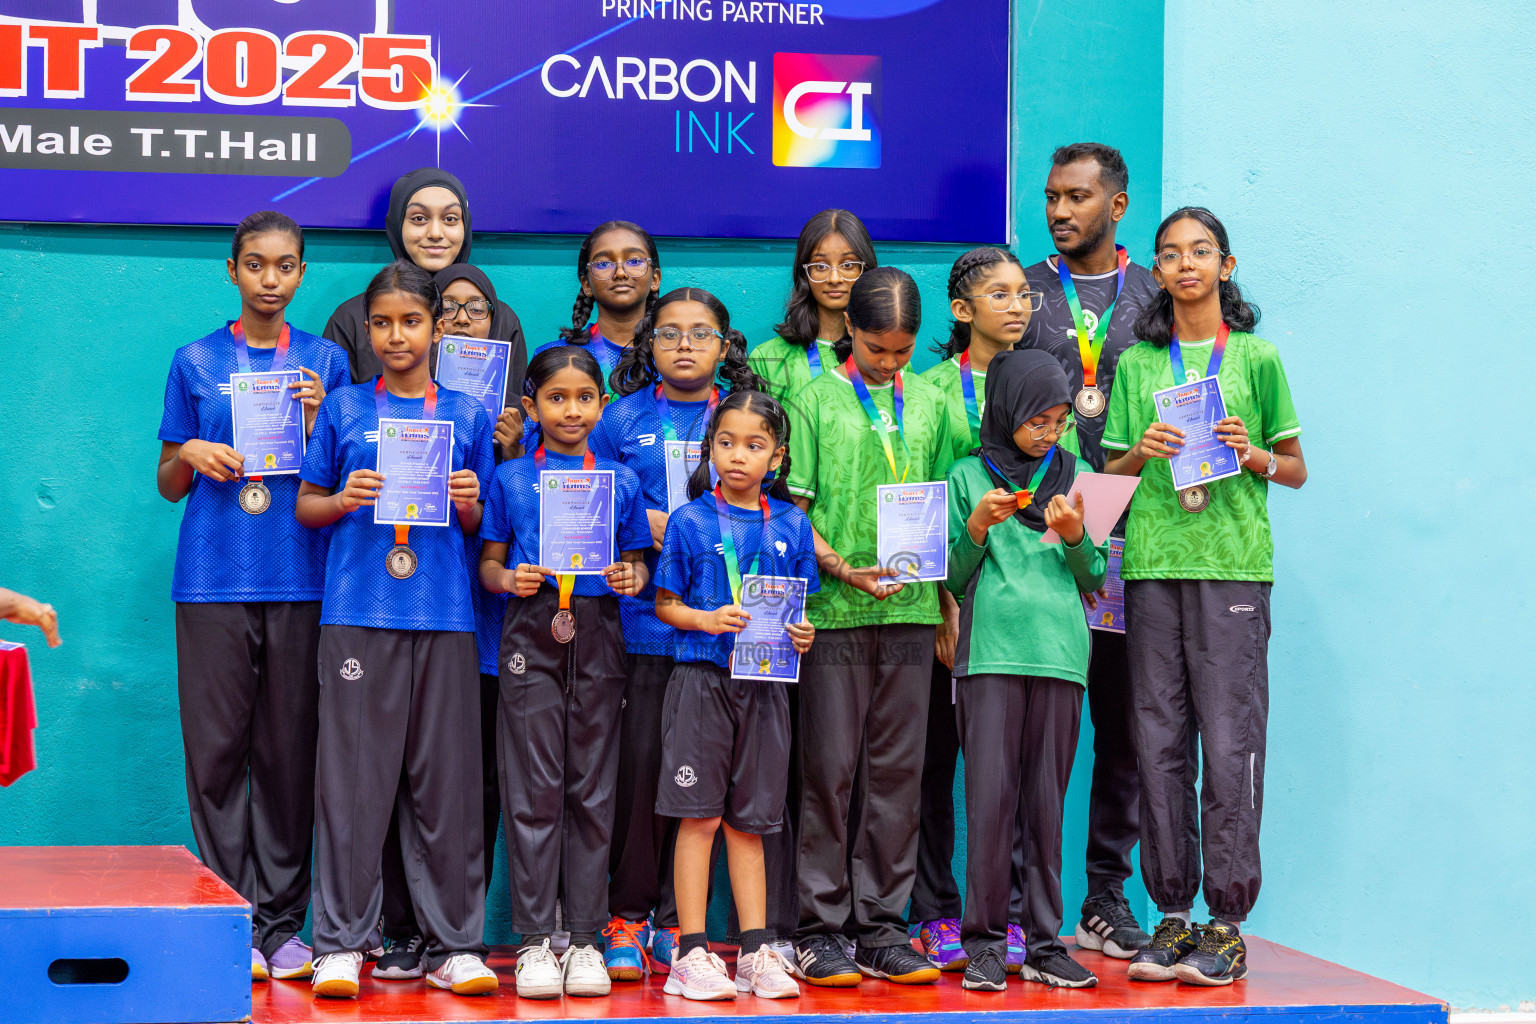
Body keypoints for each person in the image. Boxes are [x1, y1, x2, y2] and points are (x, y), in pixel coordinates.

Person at [1104, 207, 1306, 986]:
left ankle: (1226, 924)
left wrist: (1250, 452)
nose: (1185, 263)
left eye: (1200, 252)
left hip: (1233, 572)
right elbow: (1109, 481)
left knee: (1228, 745)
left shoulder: (1255, 358)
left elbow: (1294, 468)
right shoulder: (1136, 365)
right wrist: (1136, 453)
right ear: (1155, 271)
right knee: (1158, 745)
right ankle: (1171, 917)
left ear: (1226, 265)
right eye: (1170, 253)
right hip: (1153, 566)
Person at [155, 211, 348, 984]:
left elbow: (341, 472)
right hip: (210, 582)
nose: (271, 278)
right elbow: (168, 482)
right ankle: (228, 912)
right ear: (231, 270)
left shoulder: (328, 364)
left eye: (286, 265)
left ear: (302, 273)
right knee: (216, 756)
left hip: (303, 578)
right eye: (257, 264)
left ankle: (280, 928)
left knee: (288, 757)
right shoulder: (195, 361)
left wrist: (317, 416)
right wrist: (191, 453)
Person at [296, 260, 498, 999]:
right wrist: (344, 497)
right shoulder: (347, 409)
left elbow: (483, 530)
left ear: (437, 326)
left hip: (444, 616)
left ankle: (455, 945)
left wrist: (472, 500)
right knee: (352, 782)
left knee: (445, 787)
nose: (394, 336)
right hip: (357, 613)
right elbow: (307, 509)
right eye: (381, 323)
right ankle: (343, 944)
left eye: (410, 321)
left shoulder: (470, 416)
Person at [591, 288, 765, 978]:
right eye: (669, 334)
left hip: (722, 636)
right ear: (649, 345)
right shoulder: (620, 418)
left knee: (703, 787)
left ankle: (676, 921)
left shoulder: (742, 417)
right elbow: (585, 504)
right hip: (641, 627)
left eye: (701, 333)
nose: (685, 345)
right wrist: (646, 529)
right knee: (640, 776)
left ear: (724, 345)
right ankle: (629, 916)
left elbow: (774, 507)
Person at [785, 267, 952, 987]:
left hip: (911, 613)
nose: (889, 363)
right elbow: (791, 509)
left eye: (902, 350)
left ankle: (882, 924)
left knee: (897, 776)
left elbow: (944, 505)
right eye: (877, 348)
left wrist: (945, 606)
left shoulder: (935, 403)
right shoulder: (814, 400)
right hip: (834, 615)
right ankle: (819, 927)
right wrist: (839, 569)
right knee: (830, 772)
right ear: (850, 328)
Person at [1019, 143, 1161, 958]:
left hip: (1132, 538)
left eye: (1076, 197)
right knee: (1032, 726)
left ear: (1117, 205)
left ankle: (1107, 894)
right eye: (1050, 197)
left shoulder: (1152, 295)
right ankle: (1013, 901)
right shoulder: (1026, 289)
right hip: (1042, 536)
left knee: (1127, 722)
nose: (1060, 211)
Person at [478, 346, 653, 1000]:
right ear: (531, 407)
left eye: (585, 397)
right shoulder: (512, 479)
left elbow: (636, 569)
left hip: (600, 631)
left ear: (601, 406)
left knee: (591, 789)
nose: (571, 409)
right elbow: (489, 565)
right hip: (530, 628)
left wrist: (631, 576)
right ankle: (532, 942)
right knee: (533, 787)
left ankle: (583, 937)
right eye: (557, 398)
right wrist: (507, 578)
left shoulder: (621, 483)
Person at [366, 262, 523, 983]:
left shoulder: (500, 417)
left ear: (498, 328)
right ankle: (401, 929)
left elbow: (494, 518)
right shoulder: (369, 407)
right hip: (409, 602)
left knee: (464, 782)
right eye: (448, 309)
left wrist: (509, 450)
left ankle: (453, 936)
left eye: (474, 311)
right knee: (395, 771)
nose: (461, 322)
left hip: (484, 619)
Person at [945, 350, 1107, 991]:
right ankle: (984, 942)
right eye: (1036, 419)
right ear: (1006, 409)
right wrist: (979, 526)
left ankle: (1044, 942)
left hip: (1062, 658)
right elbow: (952, 578)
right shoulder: (966, 476)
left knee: (1045, 807)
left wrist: (1073, 536)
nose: (1049, 431)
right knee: (989, 804)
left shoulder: (1081, 475)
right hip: (989, 656)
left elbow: (1095, 575)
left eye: (1060, 419)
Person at [652, 390, 819, 1001]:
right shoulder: (691, 521)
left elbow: (798, 609)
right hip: (701, 684)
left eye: (754, 445)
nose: (738, 456)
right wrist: (705, 620)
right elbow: (665, 604)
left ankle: (755, 950)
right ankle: (690, 953)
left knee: (752, 823)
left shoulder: (792, 523)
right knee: (700, 818)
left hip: (766, 688)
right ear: (710, 448)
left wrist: (801, 634)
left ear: (776, 457)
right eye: (726, 443)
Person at [908, 246, 1040, 973]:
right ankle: (934, 912)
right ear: (963, 310)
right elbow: (919, 502)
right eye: (1000, 294)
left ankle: (1009, 911)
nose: (1018, 305)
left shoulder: (1047, 383)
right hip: (948, 604)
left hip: (1020, 609)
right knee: (933, 764)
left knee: (1012, 768)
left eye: (1024, 293)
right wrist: (940, 603)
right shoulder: (928, 391)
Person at [322, 167, 528, 397]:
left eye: (450, 219)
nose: (436, 233)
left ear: (465, 227)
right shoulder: (352, 318)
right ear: (397, 226)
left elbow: (517, 409)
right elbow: (331, 415)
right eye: (419, 219)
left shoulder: (498, 318)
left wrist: (513, 430)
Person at [749, 209, 878, 403]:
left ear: (865, 269)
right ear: (804, 275)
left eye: (848, 265)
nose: (834, 279)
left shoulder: (885, 352)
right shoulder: (767, 358)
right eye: (820, 266)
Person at [533, 220, 663, 390]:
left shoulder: (676, 352)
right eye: (603, 264)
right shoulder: (553, 356)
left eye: (634, 261)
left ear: (655, 279)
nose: (620, 273)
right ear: (587, 285)